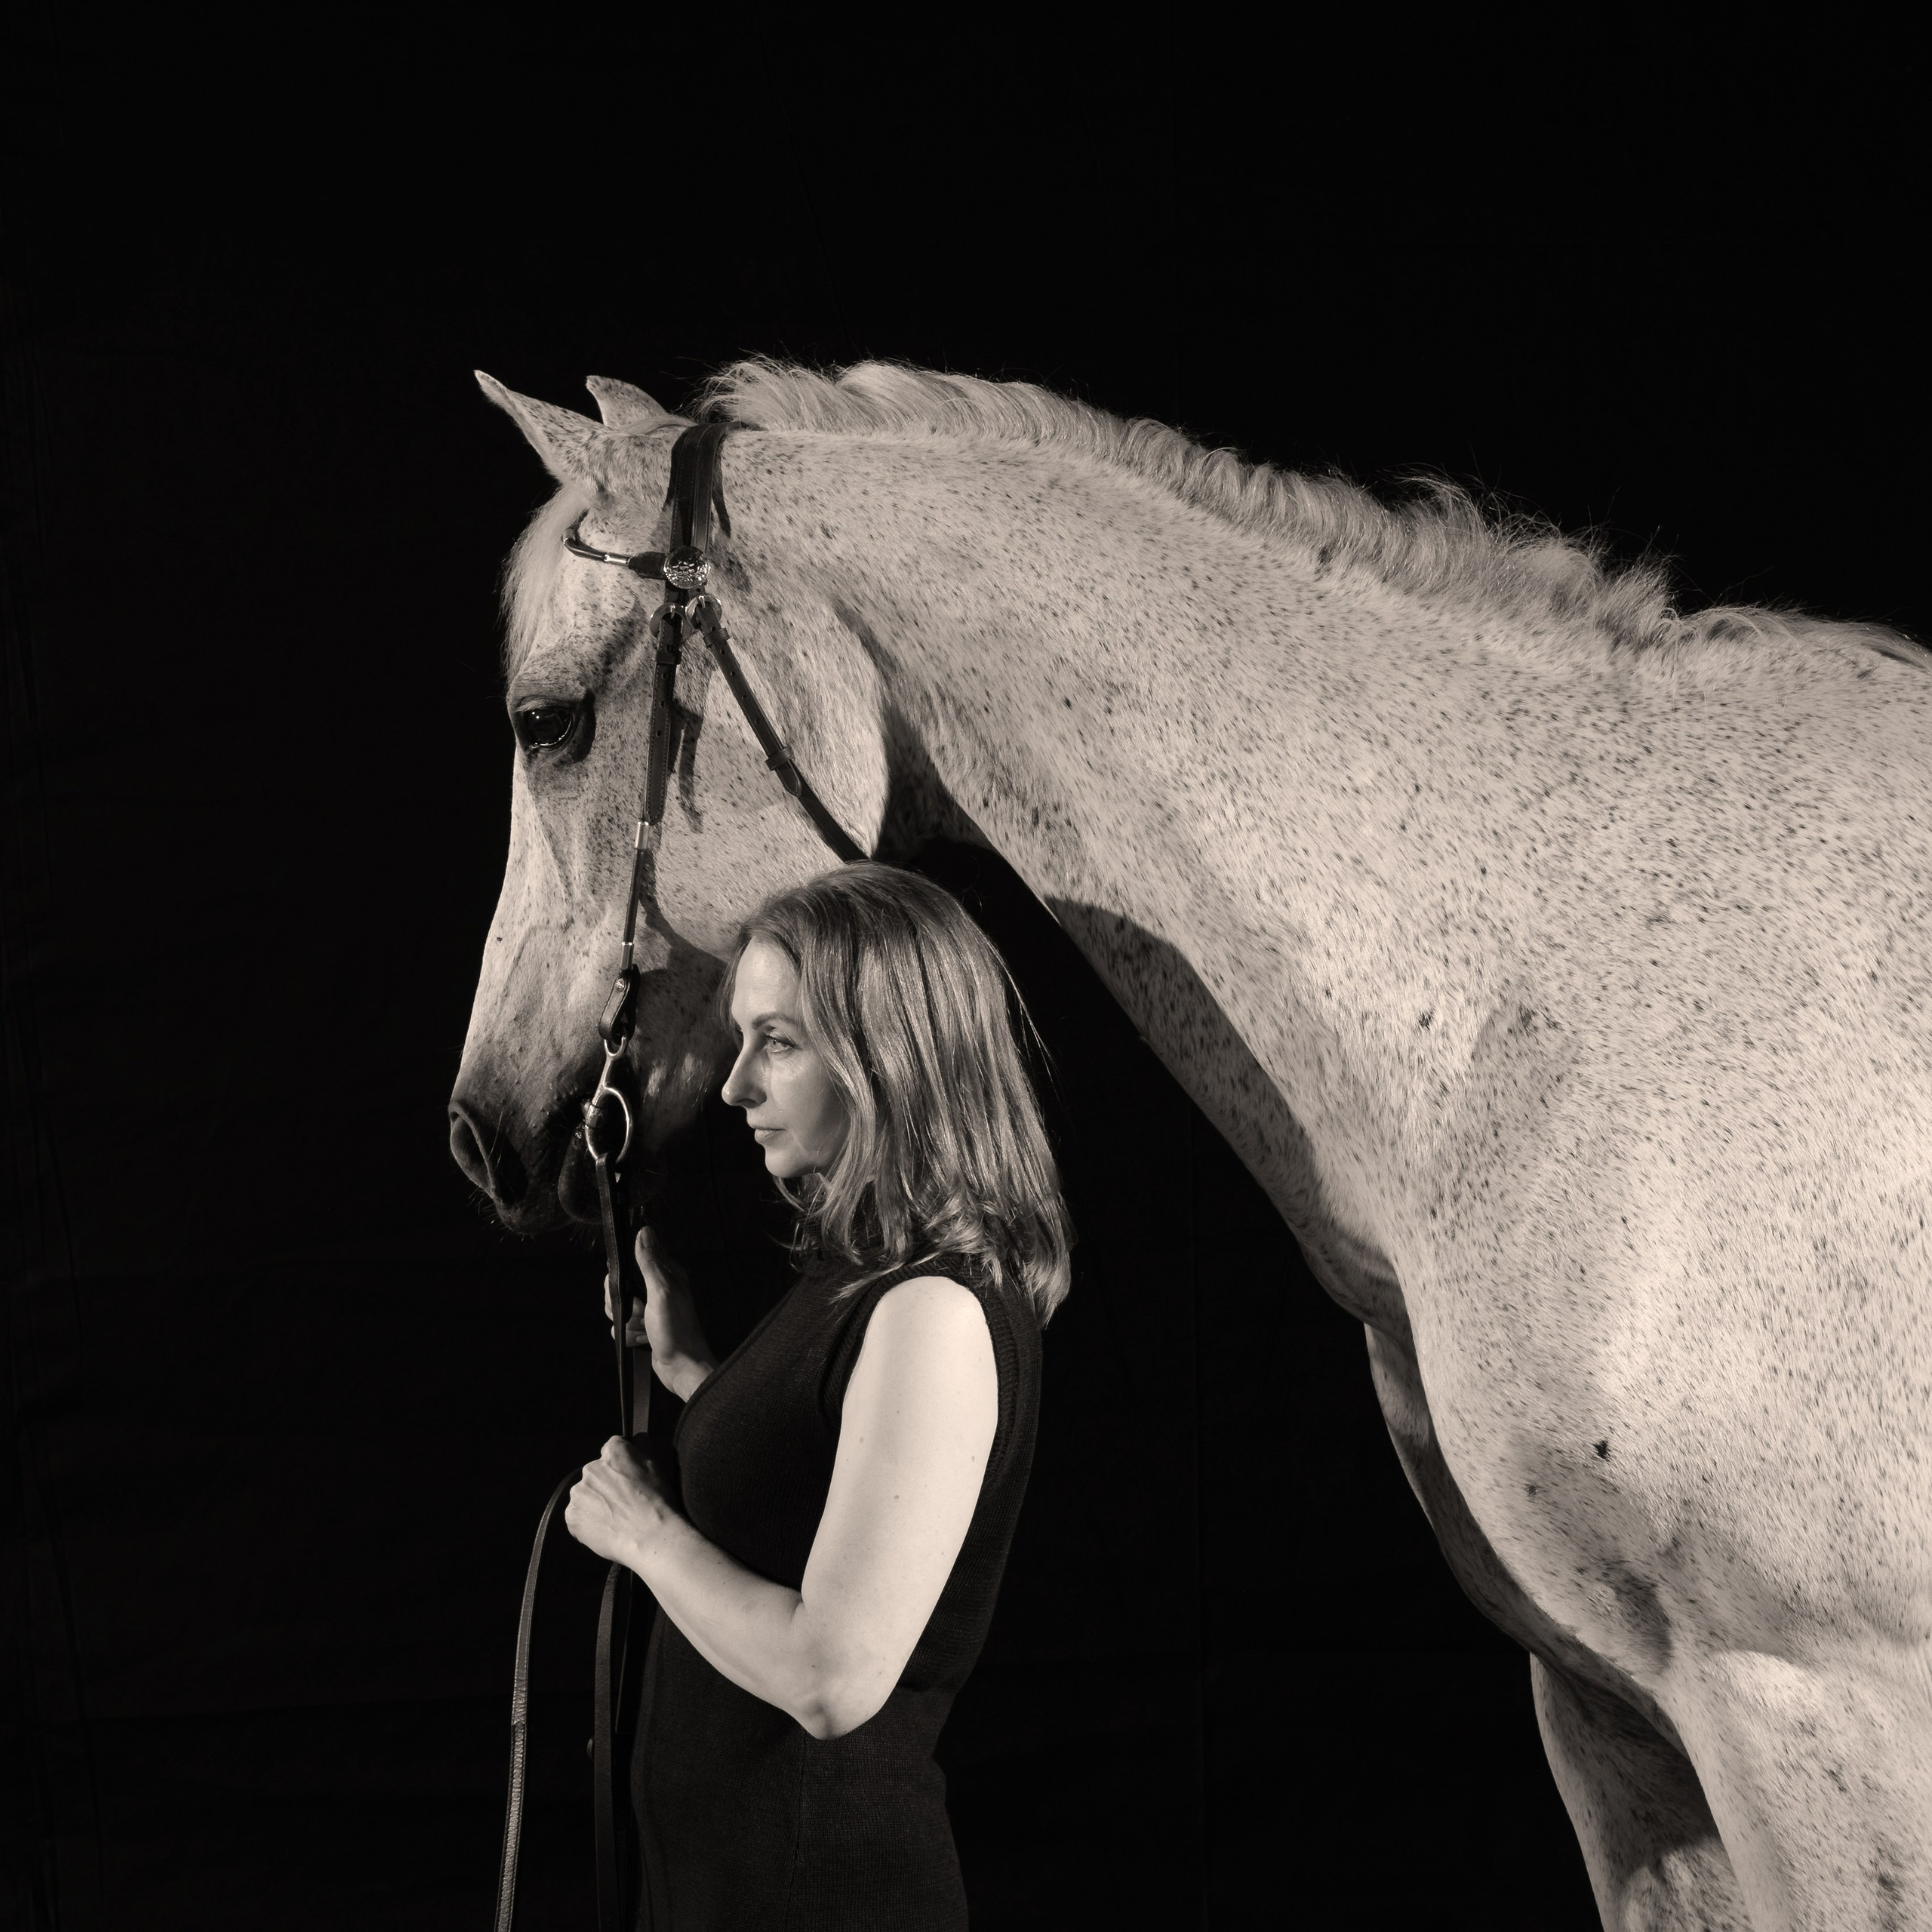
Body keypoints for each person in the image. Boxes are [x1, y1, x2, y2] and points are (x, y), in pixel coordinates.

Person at [565, 860, 1075, 1930]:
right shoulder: (866, 1285)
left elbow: (833, 1677)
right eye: (743, 1037)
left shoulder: (933, 1316)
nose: (731, 1084)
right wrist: (696, 1380)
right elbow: (816, 1495)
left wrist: (646, 1534)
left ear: (893, 1058)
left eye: (779, 1043)